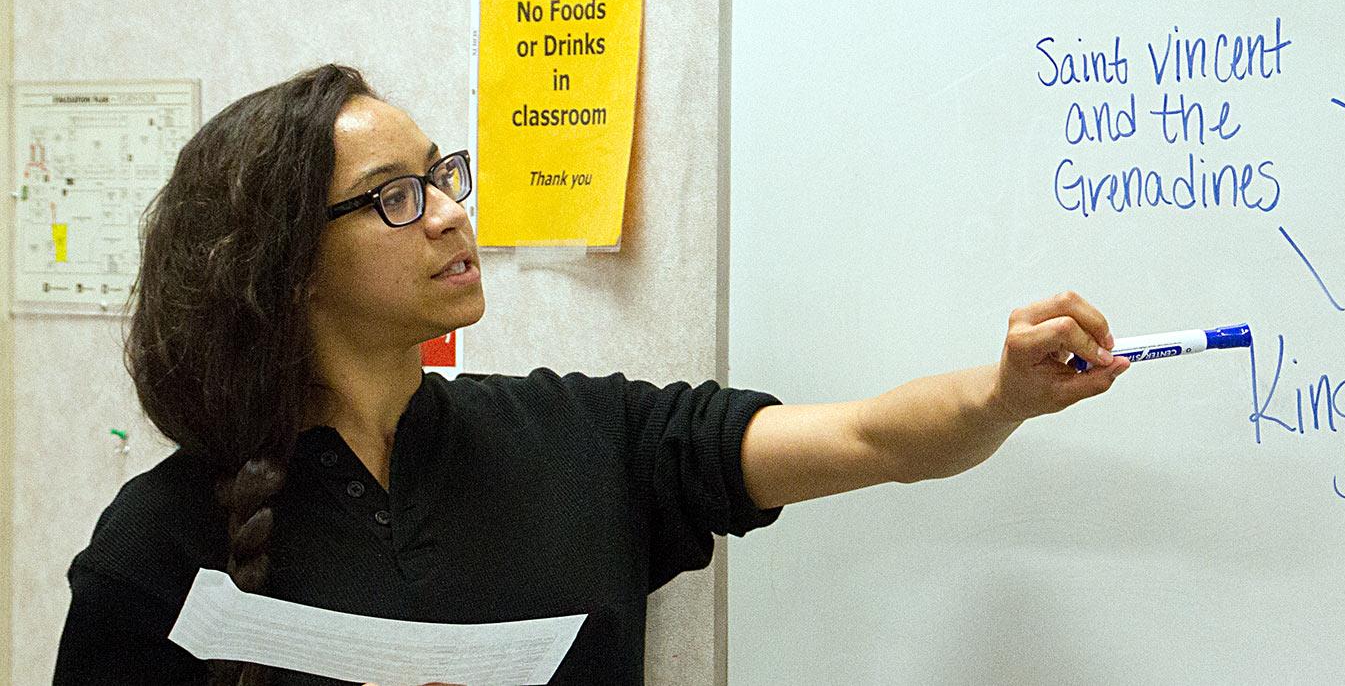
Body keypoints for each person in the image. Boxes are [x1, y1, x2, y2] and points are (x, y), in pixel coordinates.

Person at [49, 65, 1131, 685]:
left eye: (442, 175)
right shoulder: (159, 548)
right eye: (394, 195)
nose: (448, 212)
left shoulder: (579, 436)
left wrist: (1001, 397)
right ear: (286, 267)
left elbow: (868, 441)